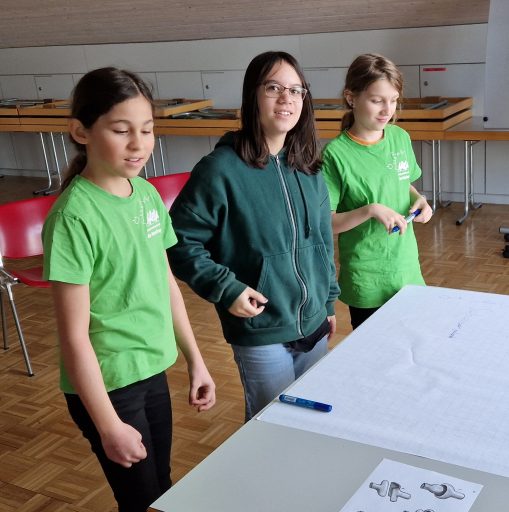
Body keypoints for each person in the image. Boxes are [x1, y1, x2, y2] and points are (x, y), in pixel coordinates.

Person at [42, 67, 215, 512]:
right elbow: (73, 337)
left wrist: (196, 360)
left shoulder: (146, 195)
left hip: (151, 368)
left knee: (163, 487)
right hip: (109, 384)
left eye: (147, 129)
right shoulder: (73, 217)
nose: (139, 144)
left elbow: (166, 284)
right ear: (81, 131)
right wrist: (107, 425)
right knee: (140, 500)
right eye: (121, 131)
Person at [167, 51, 339, 422]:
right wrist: (226, 289)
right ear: (253, 96)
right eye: (273, 88)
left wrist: (327, 302)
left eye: (296, 90)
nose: (286, 98)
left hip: (313, 321)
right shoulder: (220, 169)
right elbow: (178, 240)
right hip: (260, 327)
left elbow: (323, 242)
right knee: (272, 424)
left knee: (311, 421)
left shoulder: (310, 167)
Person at [321, 53, 433, 330]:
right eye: (377, 100)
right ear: (351, 98)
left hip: (406, 268)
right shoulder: (335, 154)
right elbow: (327, 223)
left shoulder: (400, 137)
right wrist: (370, 210)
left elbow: (401, 182)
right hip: (367, 276)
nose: (387, 110)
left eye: (393, 100)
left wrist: (419, 199)